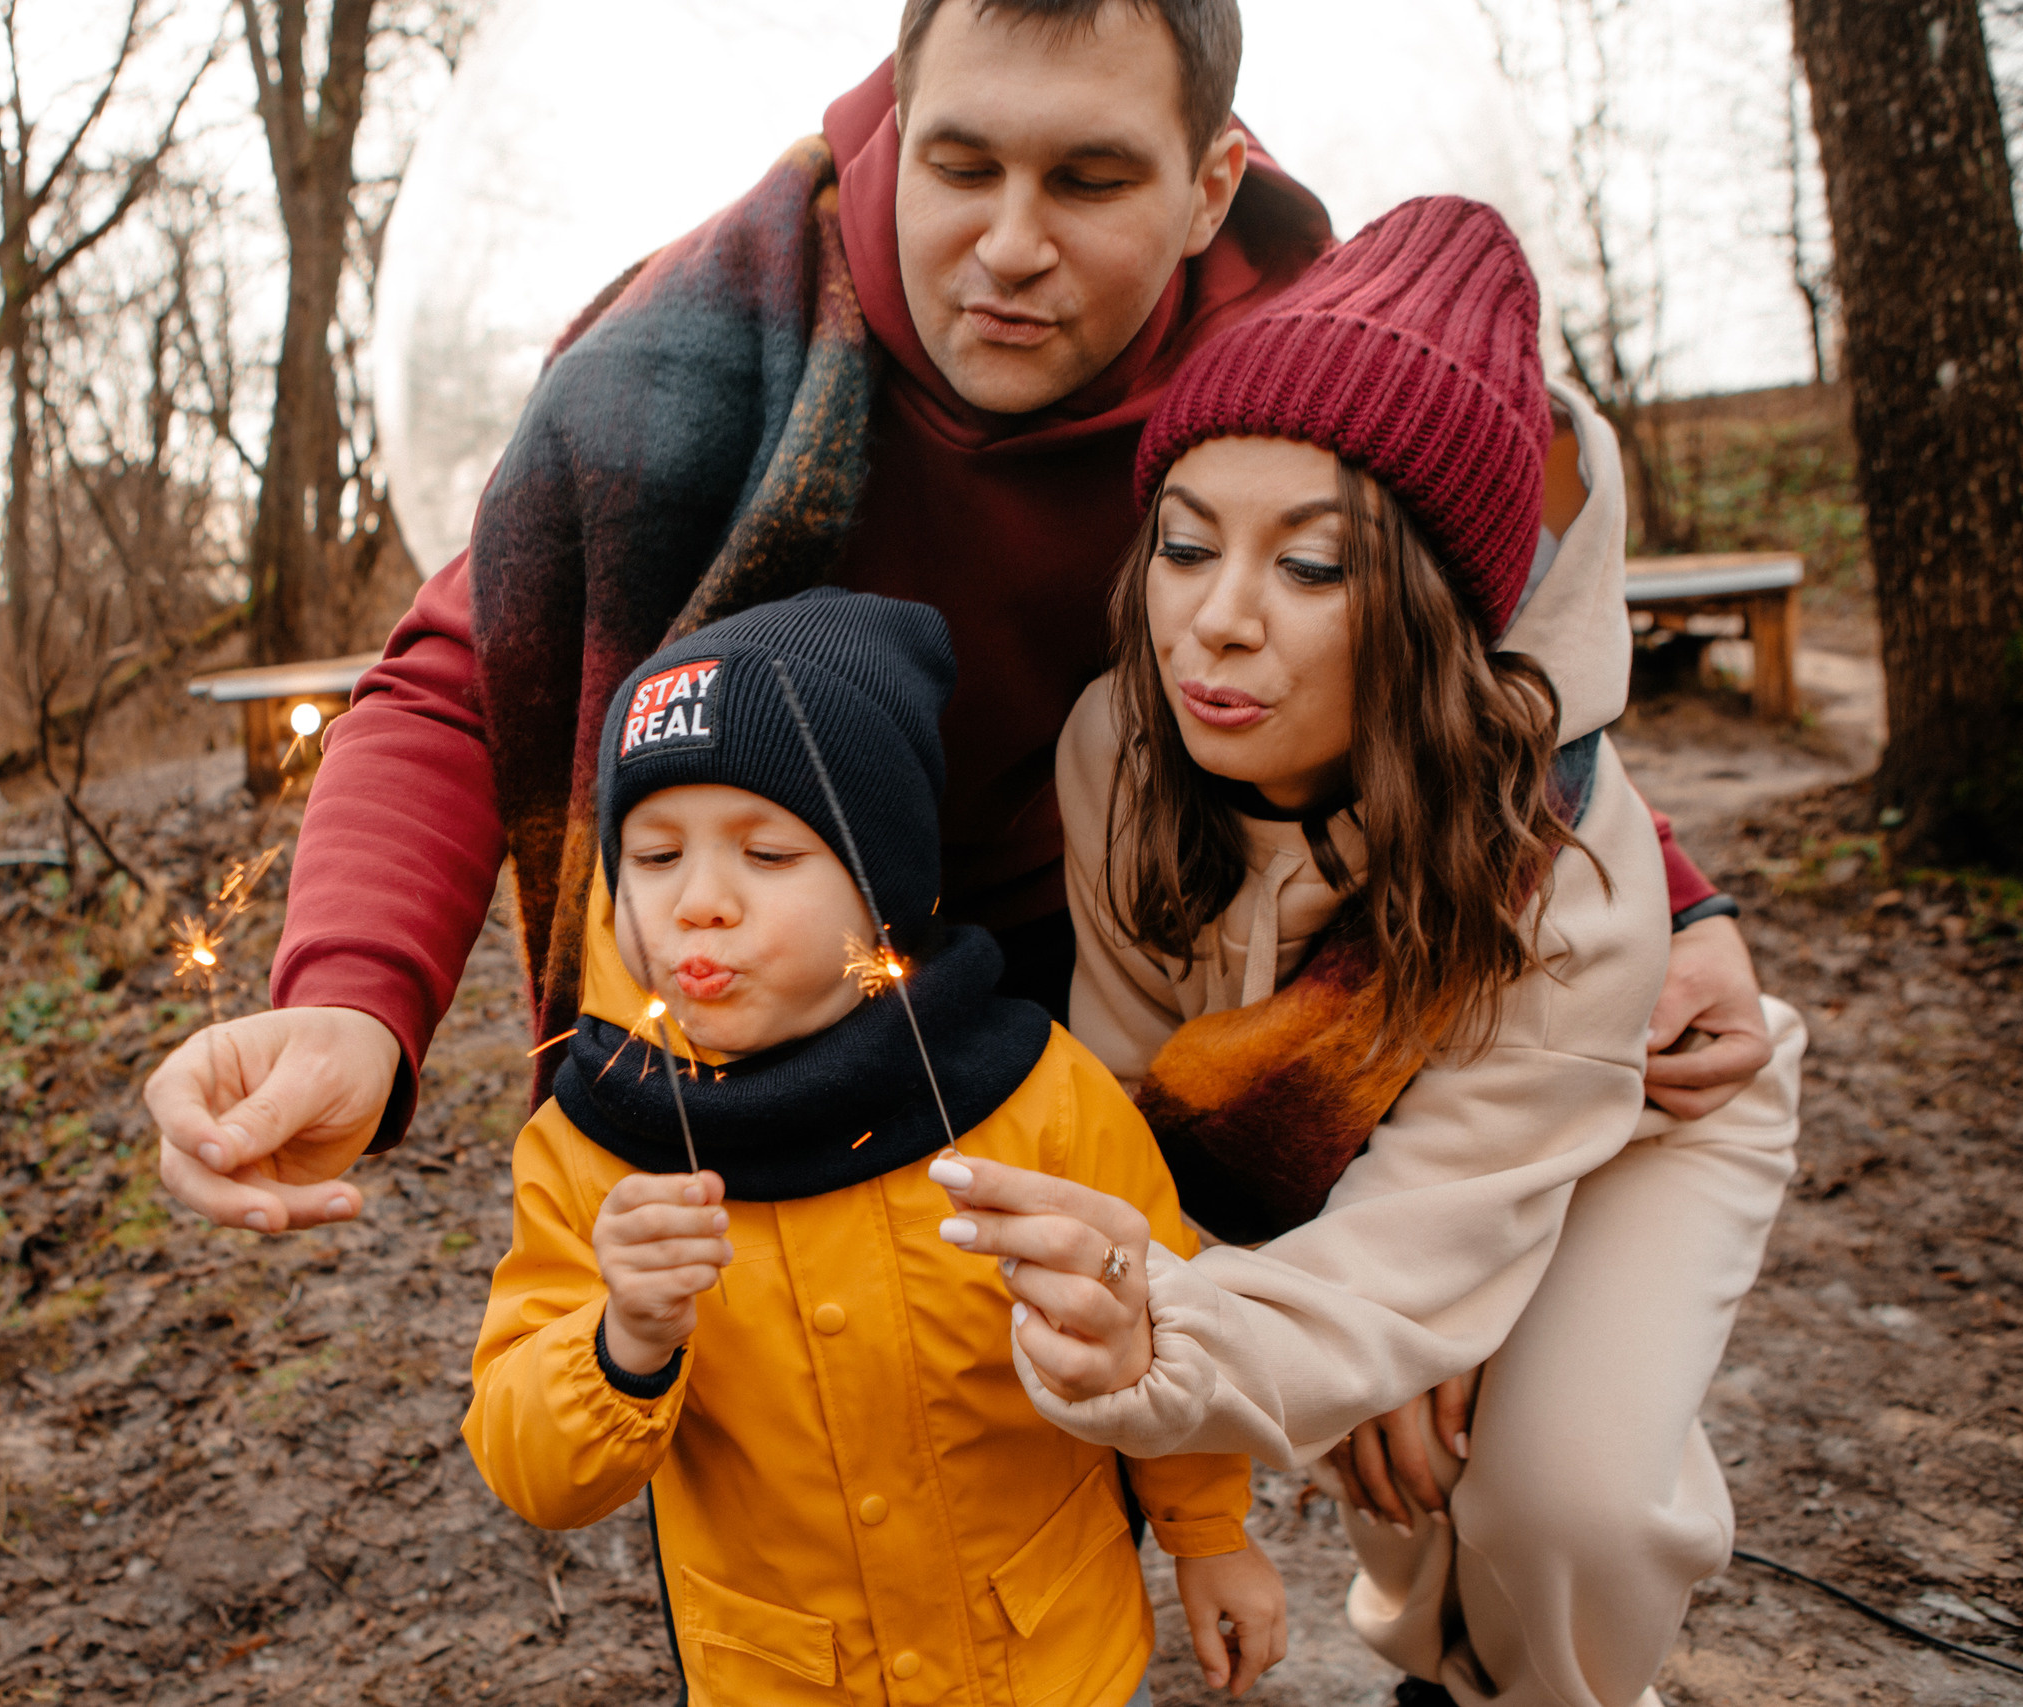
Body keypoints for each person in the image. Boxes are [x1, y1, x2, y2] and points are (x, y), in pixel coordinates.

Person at [144, 0, 1775, 1245]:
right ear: (892, 123)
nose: (1008, 247)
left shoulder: (1307, 355)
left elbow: (1471, 651)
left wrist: (1674, 899)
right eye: (963, 164)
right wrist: (351, 997)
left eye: (1089, 179)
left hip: (1136, 974)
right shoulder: (694, 370)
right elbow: (453, 681)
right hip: (783, 994)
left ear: (1212, 184)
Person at [930, 198, 1806, 1707]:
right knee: (1393, 1437)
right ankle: (1431, 1661)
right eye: (1187, 546)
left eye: (1314, 569)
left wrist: (1416, 1304)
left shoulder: (1572, 867)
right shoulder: (1117, 755)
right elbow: (1162, 1102)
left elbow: (1431, 1230)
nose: (1216, 622)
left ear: (1427, 607)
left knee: (1566, 1501)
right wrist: (1237, 1317)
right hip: (1355, 1149)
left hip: (1637, 1106)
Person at [465, 588, 1287, 1704]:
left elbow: (1157, 1314)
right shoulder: (598, 1148)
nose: (700, 902)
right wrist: (624, 1341)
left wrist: (1209, 1534)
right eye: (653, 858)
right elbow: (531, 1472)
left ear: (881, 887)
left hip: (1051, 1661)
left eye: (766, 851)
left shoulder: (1030, 1094)